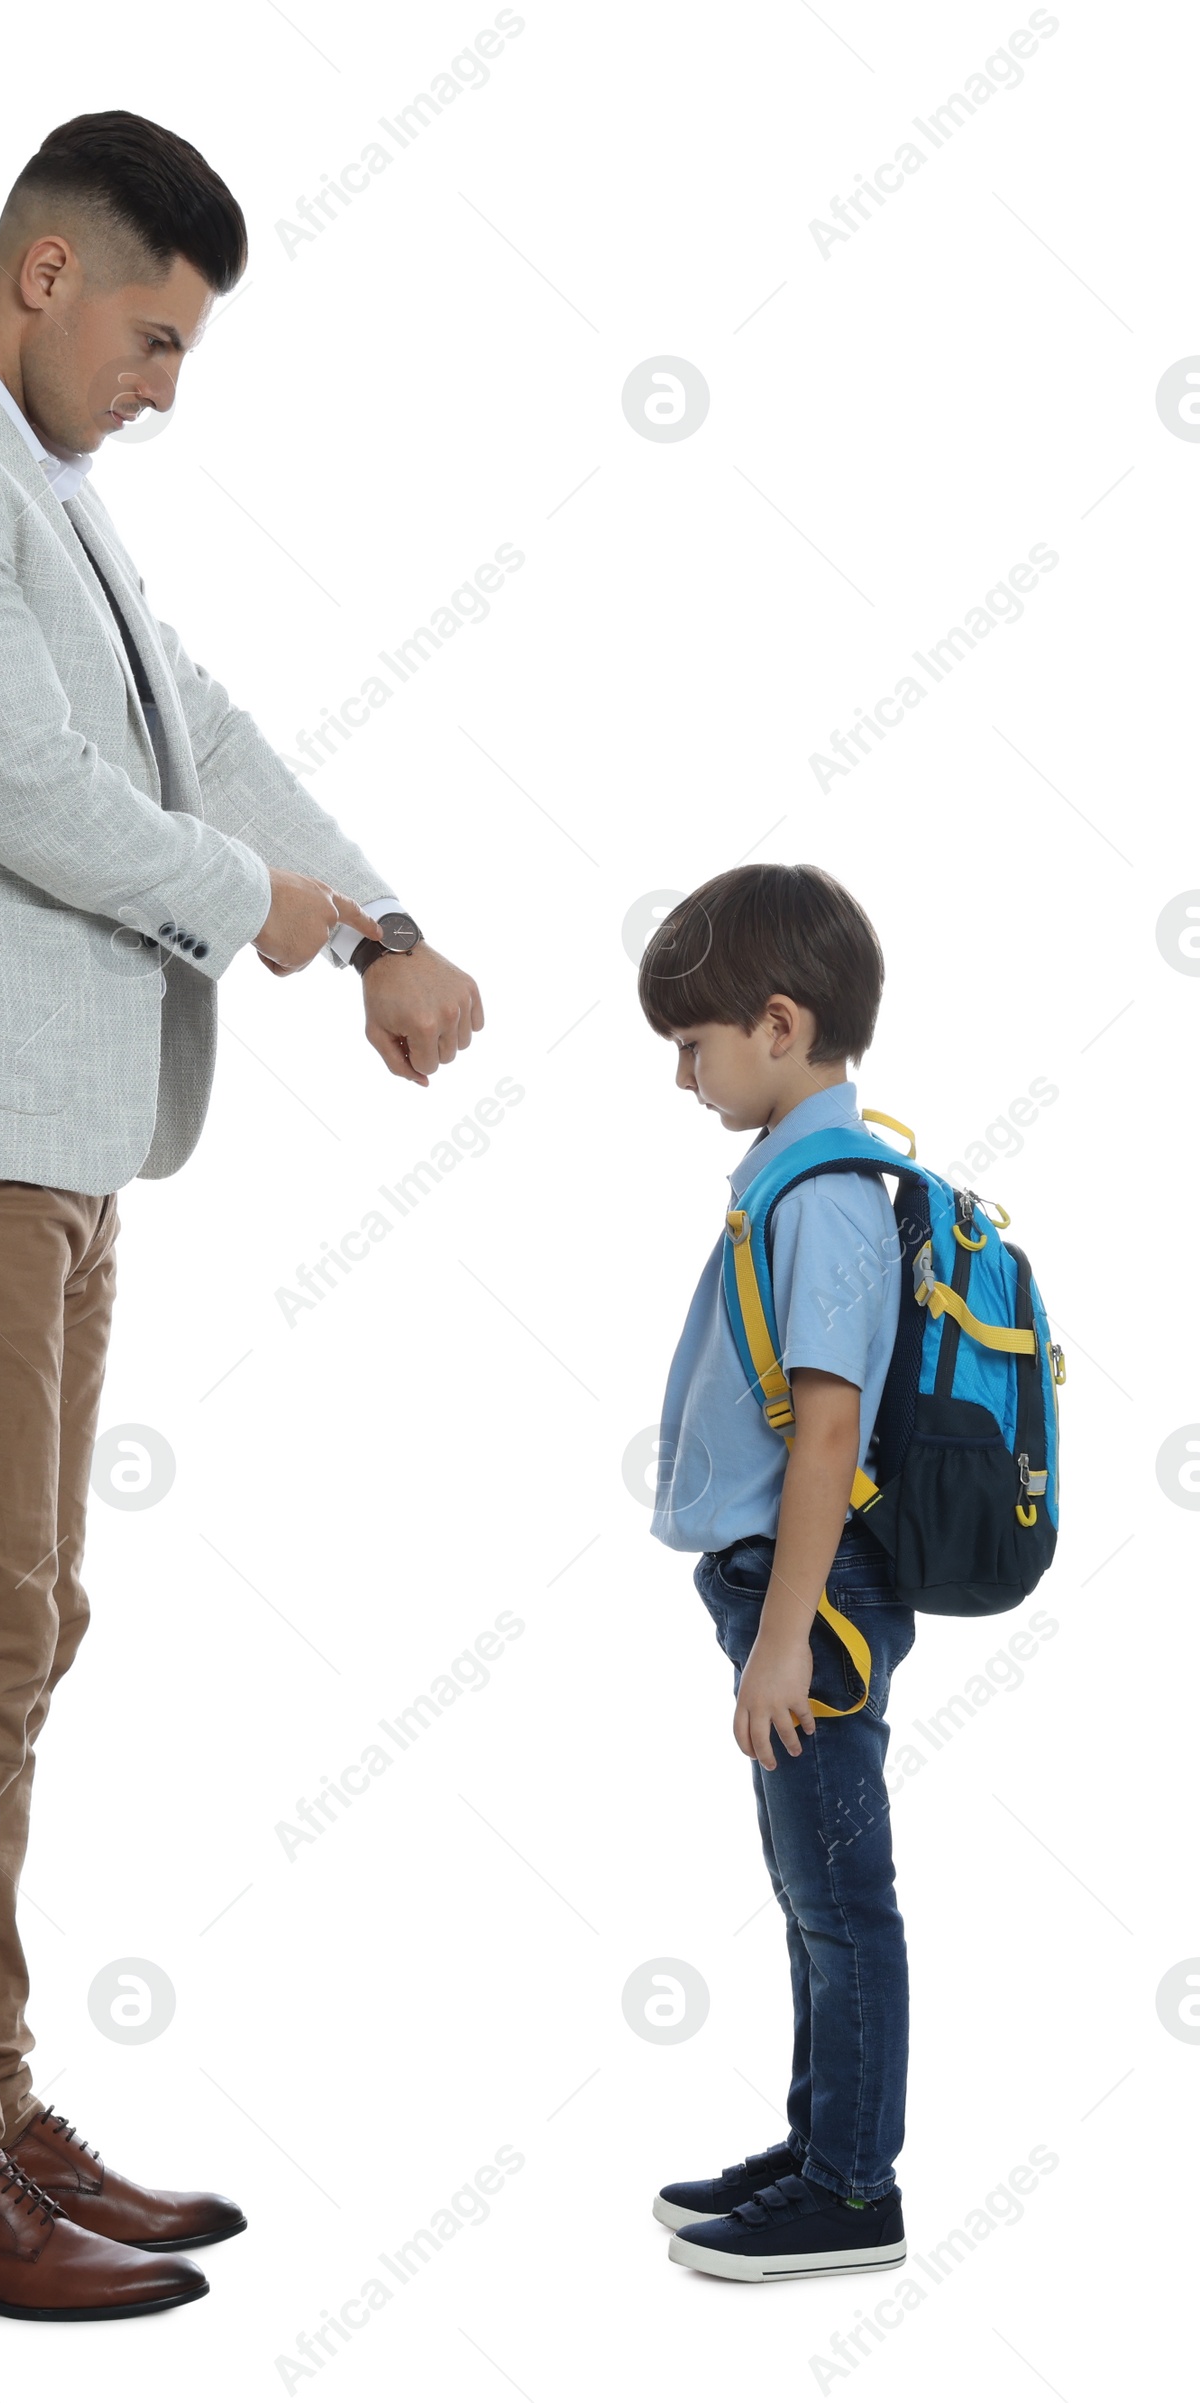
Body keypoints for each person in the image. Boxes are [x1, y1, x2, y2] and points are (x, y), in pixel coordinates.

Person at [0, 109, 482, 2323]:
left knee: (18, 1632)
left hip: (49, 1142)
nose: (167, 386)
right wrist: (266, 912)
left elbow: (198, 729)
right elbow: (31, 794)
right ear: (47, 275)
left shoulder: (37, 486)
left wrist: (375, 920)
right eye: (154, 338)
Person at [639, 864, 913, 2282]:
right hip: (785, 1594)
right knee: (811, 1886)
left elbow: (826, 1435)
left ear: (782, 1024)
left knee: (839, 1896)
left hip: (812, 1602)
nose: (685, 1076)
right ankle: (822, 2148)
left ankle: (855, 2191)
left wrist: (783, 1641)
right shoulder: (796, 1182)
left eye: (696, 1046)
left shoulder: (822, 1199)